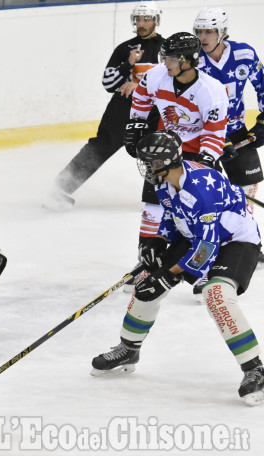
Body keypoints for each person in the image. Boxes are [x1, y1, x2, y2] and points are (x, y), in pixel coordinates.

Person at [91, 130, 264, 406]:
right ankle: (128, 349)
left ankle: (254, 368)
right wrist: (157, 242)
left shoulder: (201, 190)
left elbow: (206, 249)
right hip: (198, 236)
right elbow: (173, 218)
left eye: (149, 162)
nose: (146, 167)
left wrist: (170, 277)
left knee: (216, 294)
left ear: (163, 162)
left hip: (235, 241)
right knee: (147, 279)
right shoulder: (164, 181)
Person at [122, 32, 229, 293]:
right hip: (165, 148)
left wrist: (205, 161)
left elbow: (215, 133)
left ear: (188, 61)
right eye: (165, 57)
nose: (165, 62)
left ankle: (206, 266)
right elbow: (142, 98)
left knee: (202, 211)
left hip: (195, 152)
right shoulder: (157, 76)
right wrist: (136, 123)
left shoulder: (211, 90)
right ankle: (146, 263)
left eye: (171, 58)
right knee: (153, 204)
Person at [46, 1, 164, 210]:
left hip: (154, 109)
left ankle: (158, 199)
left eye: (146, 19)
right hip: (124, 108)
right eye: (138, 19)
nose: (141, 24)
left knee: (159, 150)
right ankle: (60, 190)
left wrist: (142, 86)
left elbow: (171, 81)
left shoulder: (166, 49)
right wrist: (128, 63)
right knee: (101, 145)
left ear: (156, 20)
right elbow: (108, 83)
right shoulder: (125, 49)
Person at [193, 7, 264, 264]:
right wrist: (215, 139)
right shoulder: (193, 60)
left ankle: (245, 244)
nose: (203, 37)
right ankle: (208, 248)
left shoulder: (244, 54)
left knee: (246, 189)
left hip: (236, 131)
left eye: (209, 31)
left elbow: (263, 84)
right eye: (199, 31)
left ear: (222, 32)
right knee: (205, 196)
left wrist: (263, 121)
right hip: (204, 136)